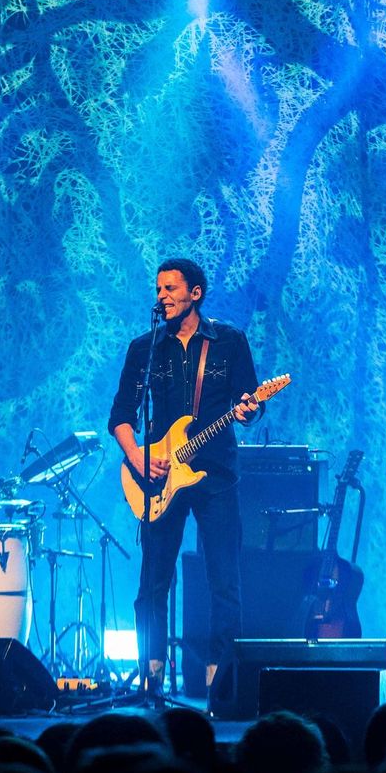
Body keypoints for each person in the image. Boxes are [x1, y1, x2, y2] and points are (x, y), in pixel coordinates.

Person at [108, 257, 263, 703]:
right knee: (152, 582)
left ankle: (222, 681)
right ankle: (150, 674)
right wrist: (138, 457)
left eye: (171, 288)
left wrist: (251, 408)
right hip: (158, 477)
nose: (162, 296)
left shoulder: (229, 341)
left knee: (224, 582)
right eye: (159, 289)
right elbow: (120, 416)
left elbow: (249, 402)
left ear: (195, 292)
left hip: (216, 475)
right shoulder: (145, 347)